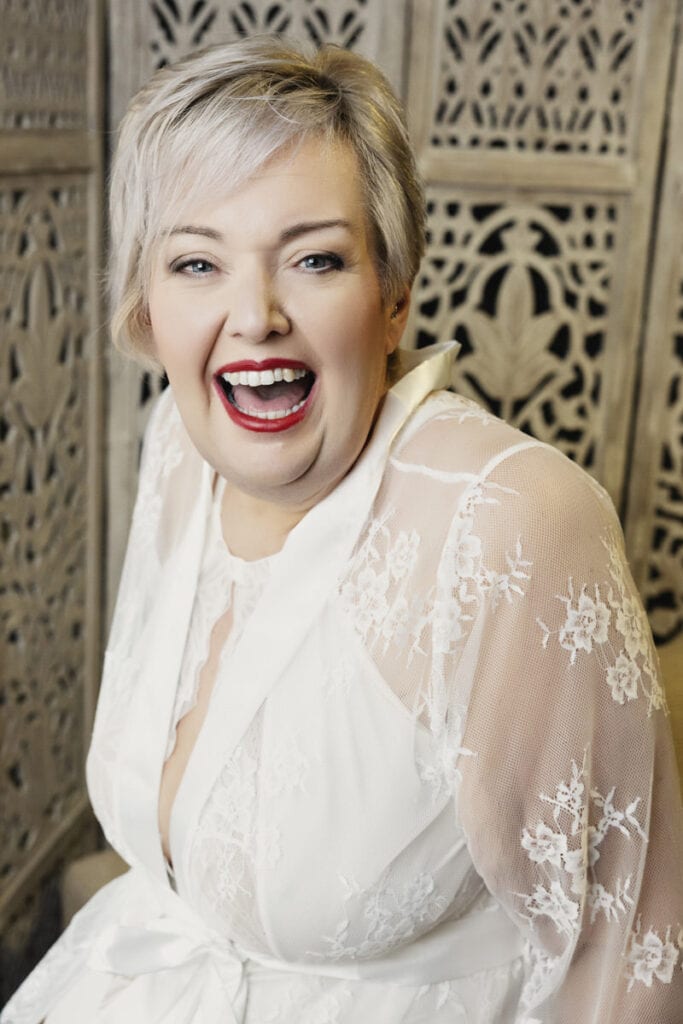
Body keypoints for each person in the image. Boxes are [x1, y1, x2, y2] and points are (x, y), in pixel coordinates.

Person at [3, 35, 682, 1024]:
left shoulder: (510, 527)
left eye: (314, 258)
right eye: (197, 261)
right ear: (147, 308)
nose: (253, 316)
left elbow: (617, 959)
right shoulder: (176, 448)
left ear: (393, 293)